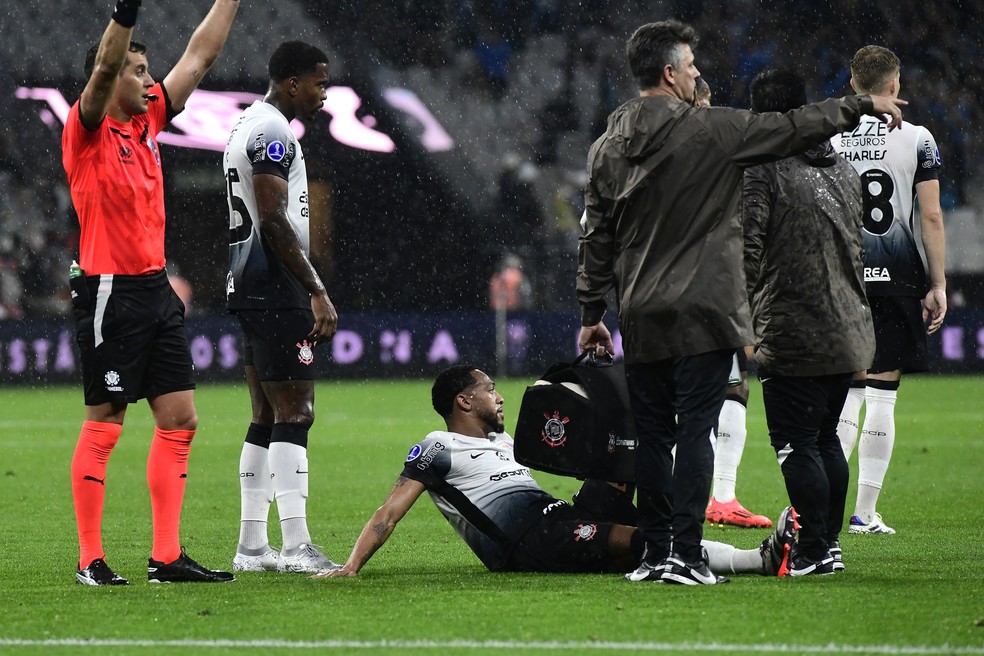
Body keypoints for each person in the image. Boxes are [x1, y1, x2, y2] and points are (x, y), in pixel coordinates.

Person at [576, 19, 904, 585]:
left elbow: (595, 235)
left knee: (652, 438)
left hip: (642, 311)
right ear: (669, 73)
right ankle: (686, 555)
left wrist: (591, 313)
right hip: (705, 311)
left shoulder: (606, 146)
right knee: (695, 432)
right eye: (691, 65)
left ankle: (655, 555)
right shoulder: (710, 130)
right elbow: (792, 126)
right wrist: (858, 105)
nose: (697, 73)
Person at [314, 365, 798, 582]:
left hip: (555, 516)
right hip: (527, 544)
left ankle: (678, 534)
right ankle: (756, 561)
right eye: (489, 389)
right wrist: (351, 566)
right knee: (642, 542)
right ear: (463, 401)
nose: (499, 396)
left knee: (621, 460)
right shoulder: (438, 446)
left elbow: (562, 454)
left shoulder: (502, 440)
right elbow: (389, 512)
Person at [62, 0, 240, 586]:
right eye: (138, 71)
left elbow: (201, 54)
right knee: (106, 420)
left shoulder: (148, 121)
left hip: (156, 287)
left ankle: (166, 556)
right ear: (112, 79)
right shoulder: (86, 130)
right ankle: (90, 559)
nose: (149, 80)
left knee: (180, 418)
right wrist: (126, 13)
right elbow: (103, 67)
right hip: (109, 291)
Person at [743, 68, 875, 575]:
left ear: (761, 116)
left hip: (792, 329)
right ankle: (829, 545)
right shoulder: (842, 169)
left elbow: (749, 249)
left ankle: (814, 550)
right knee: (824, 439)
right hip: (848, 327)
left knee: (796, 443)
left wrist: (739, 319)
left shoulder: (764, 169)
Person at [224, 40, 340, 574]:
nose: (324, 94)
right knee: (297, 412)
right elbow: (273, 218)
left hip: (248, 282)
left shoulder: (246, 123)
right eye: (319, 83)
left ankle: (252, 547)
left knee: (265, 415)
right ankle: (296, 546)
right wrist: (315, 288)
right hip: (275, 286)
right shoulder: (273, 132)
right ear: (292, 83)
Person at [831, 46, 947, 536]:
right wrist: (938, 282)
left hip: (842, 276)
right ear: (894, 86)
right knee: (882, 394)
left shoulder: (829, 134)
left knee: (847, 393)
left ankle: (821, 509)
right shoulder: (918, 138)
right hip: (896, 277)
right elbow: (931, 216)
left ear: (853, 85)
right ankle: (865, 513)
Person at [692, 77, 772, 530]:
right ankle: (715, 498)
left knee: (714, 388)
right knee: (725, 388)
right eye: (701, 104)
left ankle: (696, 500)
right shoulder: (719, 155)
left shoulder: (643, 150)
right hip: (706, 292)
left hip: (662, 292)